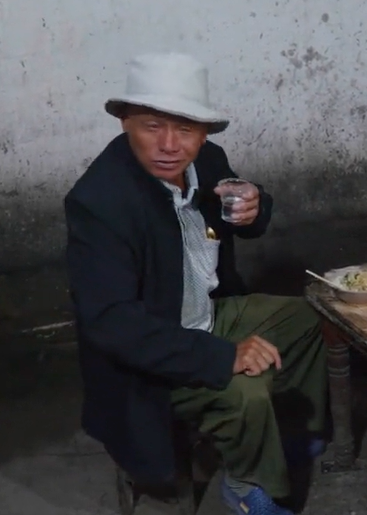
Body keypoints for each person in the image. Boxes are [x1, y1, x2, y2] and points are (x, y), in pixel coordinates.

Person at [64, 53, 327, 515]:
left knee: (311, 317)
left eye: (185, 129)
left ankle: (285, 435)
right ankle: (247, 484)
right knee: (245, 391)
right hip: (150, 352)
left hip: (207, 311)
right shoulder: (100, 203)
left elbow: (235, 204)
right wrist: (224, 356)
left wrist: (254, 205)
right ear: (125, 122)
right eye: (151, 126)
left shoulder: (207, 159)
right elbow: (112, 324)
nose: (169, 145)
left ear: (204, 133)